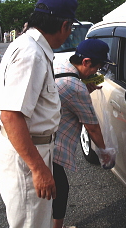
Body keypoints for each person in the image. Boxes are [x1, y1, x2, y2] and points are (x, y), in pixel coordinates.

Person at [0, 0, 78, 228]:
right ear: (64, 25)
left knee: (34, 220)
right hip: (28, 155)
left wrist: (7, 133)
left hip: (23, 148)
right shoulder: (32, 54)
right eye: (70, 28)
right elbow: (10, 115)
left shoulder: (22, 44)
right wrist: (38, 169)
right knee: (31, 223)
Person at [52, 39, 113, 228]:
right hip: (47, 146)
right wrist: (105, 152)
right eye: (99, 67)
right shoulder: (76, 87)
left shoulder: (61, 64)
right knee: (59, 190)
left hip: (40, 137)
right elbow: (92, 127)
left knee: (54, 189)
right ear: (86, 62)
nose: (98, 72)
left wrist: (84, 85)